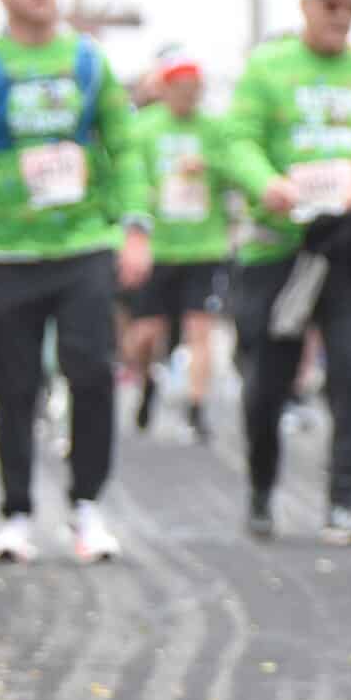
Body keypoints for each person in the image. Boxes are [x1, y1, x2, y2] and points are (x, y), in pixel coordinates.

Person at [0, 0, 154, 563]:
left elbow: (125, 147)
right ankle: (17, 515)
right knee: (14, 387)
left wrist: (135, 227)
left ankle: (87, 507)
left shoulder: (87, 61)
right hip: (6, 253)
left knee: (91, 373)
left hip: (83, 245)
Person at [222, 0, 351, 543]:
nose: (340, 17)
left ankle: (346, 502)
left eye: (350, 8)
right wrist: (265, 183)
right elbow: (236, 141)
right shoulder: (267, 68)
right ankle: (260, 490)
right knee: (268, 383)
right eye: (330, 5)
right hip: (277, 252)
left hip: (340, 253)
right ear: (306, 7)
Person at [125, 52, 230, 443]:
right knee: (146, 333)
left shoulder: (215, 129)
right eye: (181, 88)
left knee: (199, 329)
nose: (189, 96)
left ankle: (197, 409)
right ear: (165, 89)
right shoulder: (143, 129)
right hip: (157, 249)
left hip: (204, 247)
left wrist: (210, 166)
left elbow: (236, 168)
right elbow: (129, 179)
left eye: (194, 89)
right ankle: (147, 380)